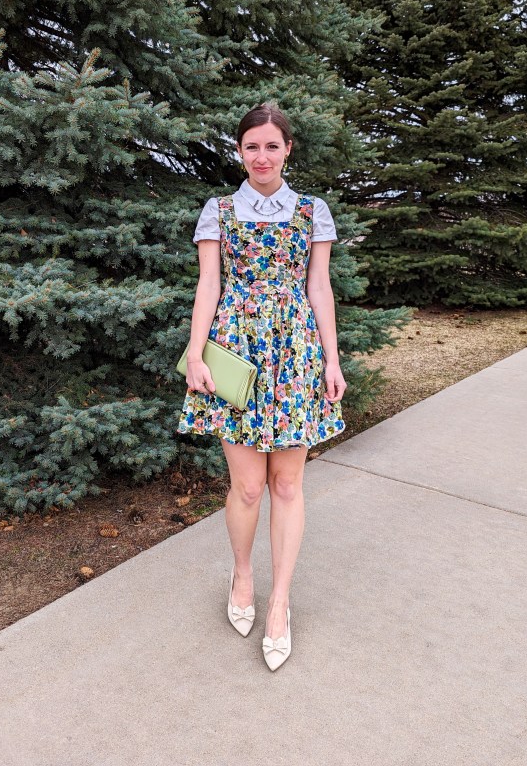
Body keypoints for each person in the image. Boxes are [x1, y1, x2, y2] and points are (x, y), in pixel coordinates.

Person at [177, 101, 347, 671]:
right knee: (248, 487)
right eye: (252, 146)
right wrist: (196, 354)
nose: (262, 156)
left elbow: (319, 288)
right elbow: (208, 286)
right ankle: (243, 574)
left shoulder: (311, 211)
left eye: (272, 146)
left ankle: (280, 602)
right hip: (235, 353)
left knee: (289, 486)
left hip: (296, 353)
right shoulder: (219, 211)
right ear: (240, 151)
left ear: (287, 149)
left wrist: (332, 359)